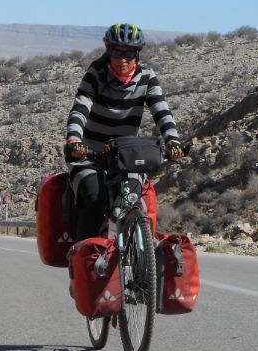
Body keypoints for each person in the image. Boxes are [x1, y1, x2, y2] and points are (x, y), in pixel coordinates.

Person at [64, 23, 184, 240]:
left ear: (137, 54)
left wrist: (173, 141)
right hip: (90, 154)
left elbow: (162, 112)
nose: (122, 59)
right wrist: (74, 140)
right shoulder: (96, 74)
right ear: (108, 52)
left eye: (128, 52)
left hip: (126, 156)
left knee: (136, 198)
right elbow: (80, 109)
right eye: (116, 52)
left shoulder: (146, 77)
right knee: (94, 197)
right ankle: (86, 257)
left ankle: (139, 258)